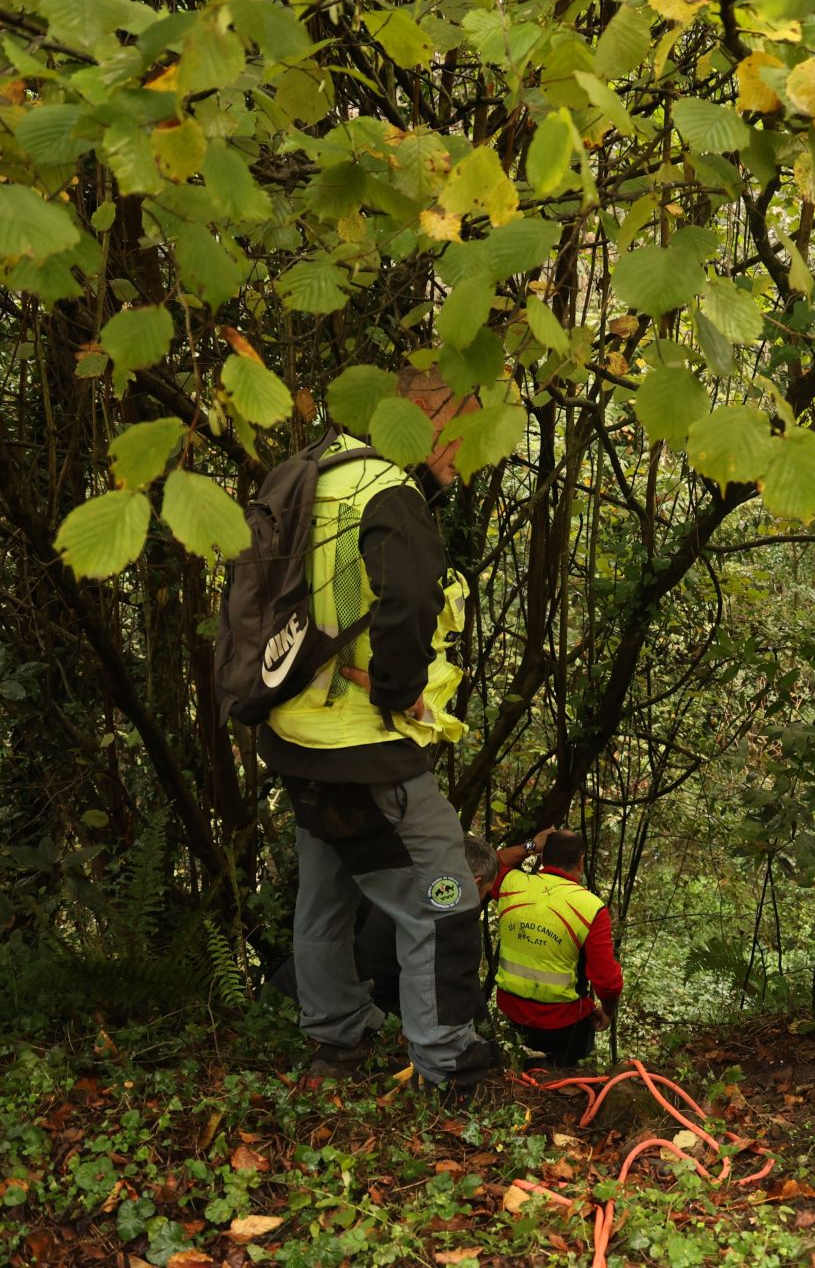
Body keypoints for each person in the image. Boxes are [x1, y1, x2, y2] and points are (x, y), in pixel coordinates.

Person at [262, 365, 500, 1095]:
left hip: (294, 735)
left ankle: (336, 1041)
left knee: (326, 895)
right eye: (462, 438)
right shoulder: (386, 496)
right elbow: (404, 601)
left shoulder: (311, 474)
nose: (464, 459)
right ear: (431, 412)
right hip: (364, 746)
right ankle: (448, 1060)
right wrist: (399, 697)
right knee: (446, 897)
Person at [483, 827, 622, 1069]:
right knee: (566, 1084)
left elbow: (487, 860)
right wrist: (608, 1012)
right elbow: (608, 981)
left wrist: (531, 845)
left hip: (512, 1011)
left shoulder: (513, 884)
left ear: (541, 858)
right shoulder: (590, 907)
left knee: (519, 1074)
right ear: (581, 862)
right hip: (564, 1022)